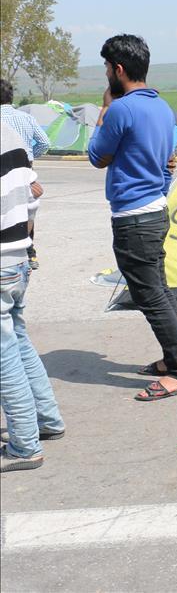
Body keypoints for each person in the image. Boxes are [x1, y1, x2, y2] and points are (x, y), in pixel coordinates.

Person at [87, 34, 177, 402]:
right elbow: (167, 164)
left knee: (149, 295)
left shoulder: (121, 109)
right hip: (155, 210)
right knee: (159, 290)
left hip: (133, 217)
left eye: (106, 68)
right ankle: (172, 360)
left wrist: (104, 111)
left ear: (118, 70)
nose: (105, 74)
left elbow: (97, 156)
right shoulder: (162, 109)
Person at [0, 121, 65, 472]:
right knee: (18, 341)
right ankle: (47, 420)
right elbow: (33, 194)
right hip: (19, 256)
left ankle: (25, 445)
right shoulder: (10, 132)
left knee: (4, 356)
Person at [2, 78, 51, 270]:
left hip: (3, 170)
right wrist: (29, 158)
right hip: (25, 170)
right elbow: (45, 143)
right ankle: (29, 254)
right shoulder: (26, 118)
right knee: (27, 210)